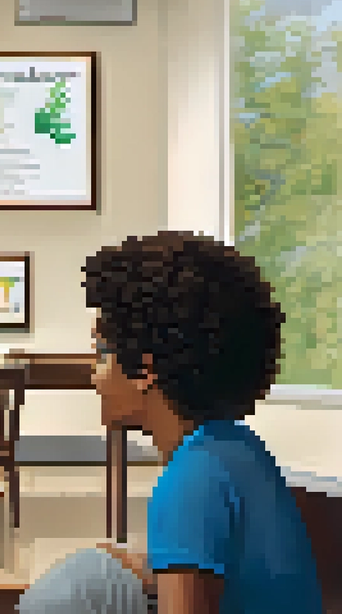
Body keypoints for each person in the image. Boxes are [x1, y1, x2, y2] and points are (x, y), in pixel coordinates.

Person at [19, 232, 322, 614]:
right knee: (101, 568)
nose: (93, 375)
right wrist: (137, 563)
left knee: (84, 580)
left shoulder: (190, 482)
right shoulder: (238, 449)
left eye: (101, 353)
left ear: (144, 369)